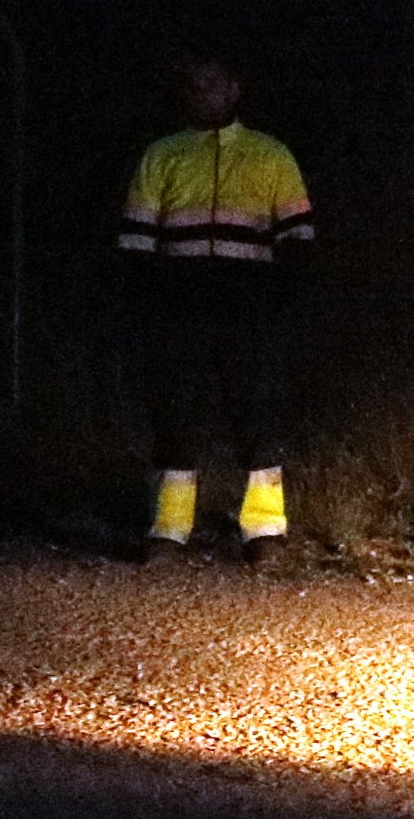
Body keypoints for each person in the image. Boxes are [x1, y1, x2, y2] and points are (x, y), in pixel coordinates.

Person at [119, 52, 316, 565]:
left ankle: (265, 530)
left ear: (234, 89)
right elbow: (136, 240)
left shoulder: (271, 155)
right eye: (194, 83)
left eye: (213, 82)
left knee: (255, 409)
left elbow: (298, 238)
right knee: (176, 410)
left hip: (247, 302)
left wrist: (280, 302)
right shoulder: (162, 155)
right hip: (178, 302)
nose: (202, 91)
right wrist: (145, 302)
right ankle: (168, 527)